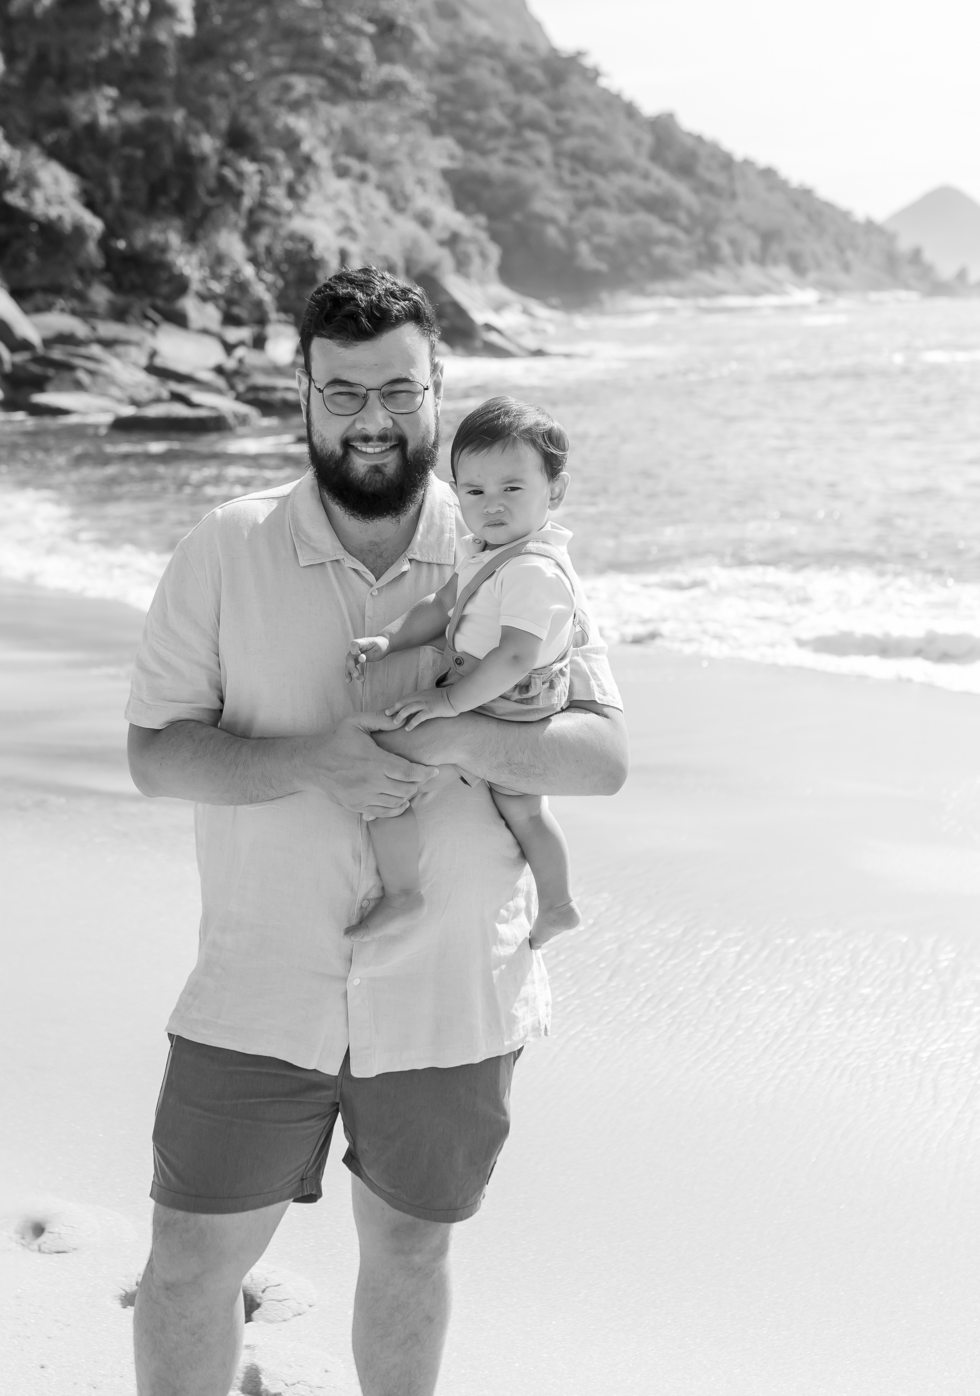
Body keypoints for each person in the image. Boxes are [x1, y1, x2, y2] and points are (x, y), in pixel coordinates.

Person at [125, 266, 628, 1396]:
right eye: (343, 392)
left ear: (437, 385)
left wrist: (454, 741)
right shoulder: (223, 547)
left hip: (455, 990)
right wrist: (315, 761)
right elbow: (157, 753)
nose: (373, 419)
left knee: (410, 1248)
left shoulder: (513, 542)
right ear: (300, 391)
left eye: (398, 391)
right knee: (190, 1261)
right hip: (259, 982)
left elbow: (603, 758)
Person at [345, 395, 583, 950]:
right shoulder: (485, 551)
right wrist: (389, 639)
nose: (492, 505)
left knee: (379, 762)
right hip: (502, 690)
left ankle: (404, 892)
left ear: (556, 490)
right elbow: (440, 605)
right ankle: (560, 903)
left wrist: (447, 705)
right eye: (474, 491)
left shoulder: (532, 570)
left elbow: (517, 656)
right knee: (522, 808)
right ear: (456, 493)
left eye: (512, 489)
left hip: (509, 696)